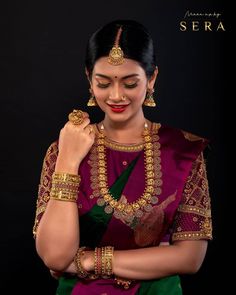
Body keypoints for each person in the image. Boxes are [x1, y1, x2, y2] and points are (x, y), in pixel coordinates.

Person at [33, 19, 212, 294]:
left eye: (130, 83)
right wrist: (68, 161)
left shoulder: (183, 151)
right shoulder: (65, 148)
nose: (116, 96)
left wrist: (91, 259)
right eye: (103, 83)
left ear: (151, 79)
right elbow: (56, 257)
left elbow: (190, 257)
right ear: (89, 80)